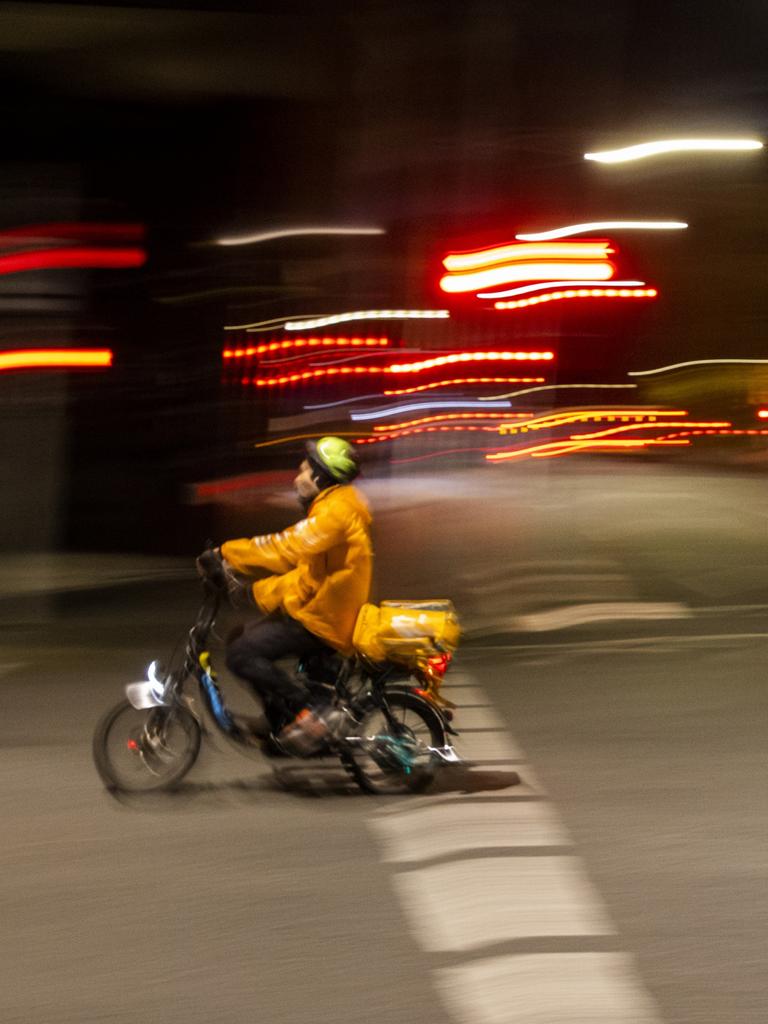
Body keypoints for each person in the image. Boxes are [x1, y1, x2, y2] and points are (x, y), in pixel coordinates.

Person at [203, 437, 372, 752]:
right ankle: (280, 719)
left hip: (325, 620)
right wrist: (254, 593)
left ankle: (312, 715)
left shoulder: (336, 512)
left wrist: (227, 554)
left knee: (242, 654)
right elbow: (307, 577)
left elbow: (286, 548)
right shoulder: (332, 507)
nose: (297, 479)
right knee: (240, 638)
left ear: (321, 478)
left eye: (304, 471)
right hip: (319, 611)